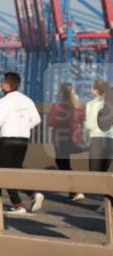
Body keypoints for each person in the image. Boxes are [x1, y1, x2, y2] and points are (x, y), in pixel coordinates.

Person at [0, 72, 44, 214]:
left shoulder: (3, 101)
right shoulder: (27, 100)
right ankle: (33, 194)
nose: (1, 85)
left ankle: (18, 205)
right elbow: (37, 119)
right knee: (16, 170)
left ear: (7, 86)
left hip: (7, 139)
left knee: (6, 173)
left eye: (2, 82)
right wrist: (24, 128)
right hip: (23, 140)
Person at [47, 82, 86, 200]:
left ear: (60, 92)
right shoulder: (78, 106)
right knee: (64, 164)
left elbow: (50, 122)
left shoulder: (57, 106)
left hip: (60, 139)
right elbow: (84, 119)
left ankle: (75, 190)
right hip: (75, 138)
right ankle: (74, 191)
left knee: (62, 163)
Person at [85, 79, 112, 212]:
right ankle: (105, 202)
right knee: (107, 173)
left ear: (95, 90)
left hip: (97, 140)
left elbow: (89, 124)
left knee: (97, 174)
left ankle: (105, 204)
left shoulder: (91, 104)